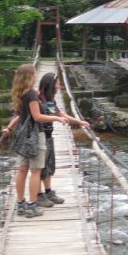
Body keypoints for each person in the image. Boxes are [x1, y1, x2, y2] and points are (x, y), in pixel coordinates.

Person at [2, 64, 66, 218]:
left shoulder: (20, 93)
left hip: (22, 136)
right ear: (30, 76)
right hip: (35, 135)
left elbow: (21, 115)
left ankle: (21, 203)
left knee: (22, 170)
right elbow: (38, 117)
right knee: (35, 171)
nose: (36, 75)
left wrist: (9, 128)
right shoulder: (31, 94)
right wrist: (57, 118)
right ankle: (32, 204)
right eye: (34, 73)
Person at [36, 72, 89, 206]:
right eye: (58, 83)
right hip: (38, 137)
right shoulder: (38, 99)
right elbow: (41, 117)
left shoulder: (49, 99)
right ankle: (38, 195)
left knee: (49, 165)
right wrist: (56, 118)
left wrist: (79, 121)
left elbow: (59, 113)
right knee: (38, 168)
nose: (60, 86)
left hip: (48, 136)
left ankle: (48, 192)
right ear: (51, 84)